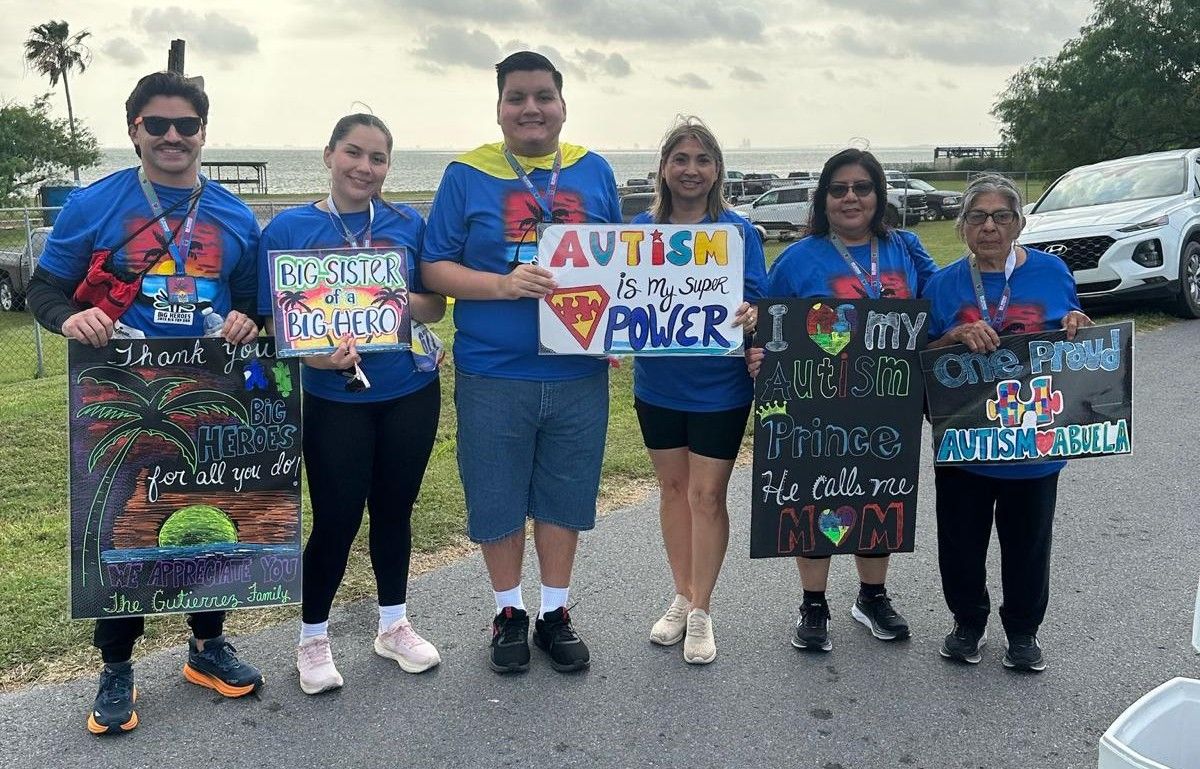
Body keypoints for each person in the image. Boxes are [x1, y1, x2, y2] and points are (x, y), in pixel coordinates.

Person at [26, 71, 263, 734]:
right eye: (156, 124)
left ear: (203, 133)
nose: (172, 136)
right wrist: (71, 319)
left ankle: (207, 643)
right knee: (121, 528)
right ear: (134, 129)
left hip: (210, 393)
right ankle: (116, 663)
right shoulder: (93, 205)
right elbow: (47, 291)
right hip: (120, 393)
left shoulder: (234, 216)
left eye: (185, 125)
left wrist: (248, 320)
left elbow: (252, 303)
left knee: (209, 520)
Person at [421, 51, 621, 674]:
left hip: (577, 370)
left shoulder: (593, 171)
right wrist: (503, 285)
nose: (530, 108)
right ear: (500, 107)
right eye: (516, 97)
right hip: (493, 370)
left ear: (563, 105)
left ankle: (555, 611)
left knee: (565, 494)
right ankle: (509, 611)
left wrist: (619, 324)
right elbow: (434, 268)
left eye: (542, 96)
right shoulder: (465, 174)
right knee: (496, 496)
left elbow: (620, 260)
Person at [257, 115, 446, 694]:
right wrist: (315, 360)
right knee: (336, 519)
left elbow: (436, 306)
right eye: (354, 154)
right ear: (329, 155)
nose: (365, 168)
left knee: (395, 510)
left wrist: (391, 299)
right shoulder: (288, 227)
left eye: (378, 158)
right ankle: (311, 638)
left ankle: (394, 624)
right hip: (334, 396)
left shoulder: (407, 222)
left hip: (409, 389)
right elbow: (274, 322)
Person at [748, 148, 936, 652]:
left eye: (862, 187)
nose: (851, 197)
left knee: (878, 495)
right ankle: (813, 604)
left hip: (889, 399)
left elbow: (943, 301)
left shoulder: (905, 248)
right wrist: (758, 353)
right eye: (839, 189)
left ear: (878, 195)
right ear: (823, 199)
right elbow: (767, 323)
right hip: (816, 403)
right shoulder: (797, 259)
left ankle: (872, 596)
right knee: (814, 499)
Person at [923, 173, 1091, 672]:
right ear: (962, 228)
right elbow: (922, 356)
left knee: (1029, 544)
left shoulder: (1052, 271)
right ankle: (967, 624)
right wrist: (953, 335)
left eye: (1001, 216)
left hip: (1035, 441)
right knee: (960, 542)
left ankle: (1023, 632)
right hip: (965, 442)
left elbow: (1074, 324)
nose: (989, 226)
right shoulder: (942, 284)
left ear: (1019, 223)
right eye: (977, 216)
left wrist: (1080, 324)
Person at [630, 117, 765, 664]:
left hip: (720, 387)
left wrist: (753, 312)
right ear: (664, 168)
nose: (691, 169)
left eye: (702, 160)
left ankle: (703, 610)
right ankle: (681, 596)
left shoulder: (740, 233)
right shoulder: (640, 229)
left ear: (717, 170)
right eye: (680, 159)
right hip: (657, 384)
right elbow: (619, 295)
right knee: (672, 491)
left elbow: (758, 298)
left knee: (707, 497)